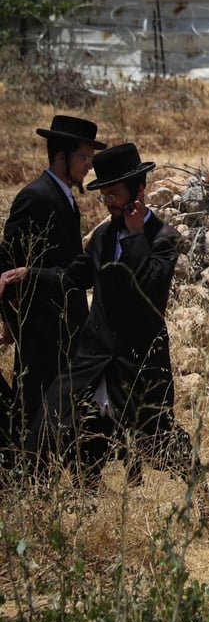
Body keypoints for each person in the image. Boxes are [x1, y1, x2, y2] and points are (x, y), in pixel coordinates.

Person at [9, 143, 199, 490]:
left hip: (137, 363)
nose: (108, 202)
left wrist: (138, 237)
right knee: (53, 421)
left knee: (157, 440)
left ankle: (200, 492)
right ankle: (55, 496)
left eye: (113, 194)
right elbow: (74, 276)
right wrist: (31, 273)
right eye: (104, 195)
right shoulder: (103, 236)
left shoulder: (163, 239)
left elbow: (149, 291)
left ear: (138, 191)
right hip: (94, 357)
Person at [0, 115, 107, 454]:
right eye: (84, 157)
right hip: (41, 332)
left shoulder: (63, 197)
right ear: (62, 156)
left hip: (64, 330)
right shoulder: (36, 196)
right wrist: (11, 320)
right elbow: (8, 266)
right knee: (32, 414)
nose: (89, 166)